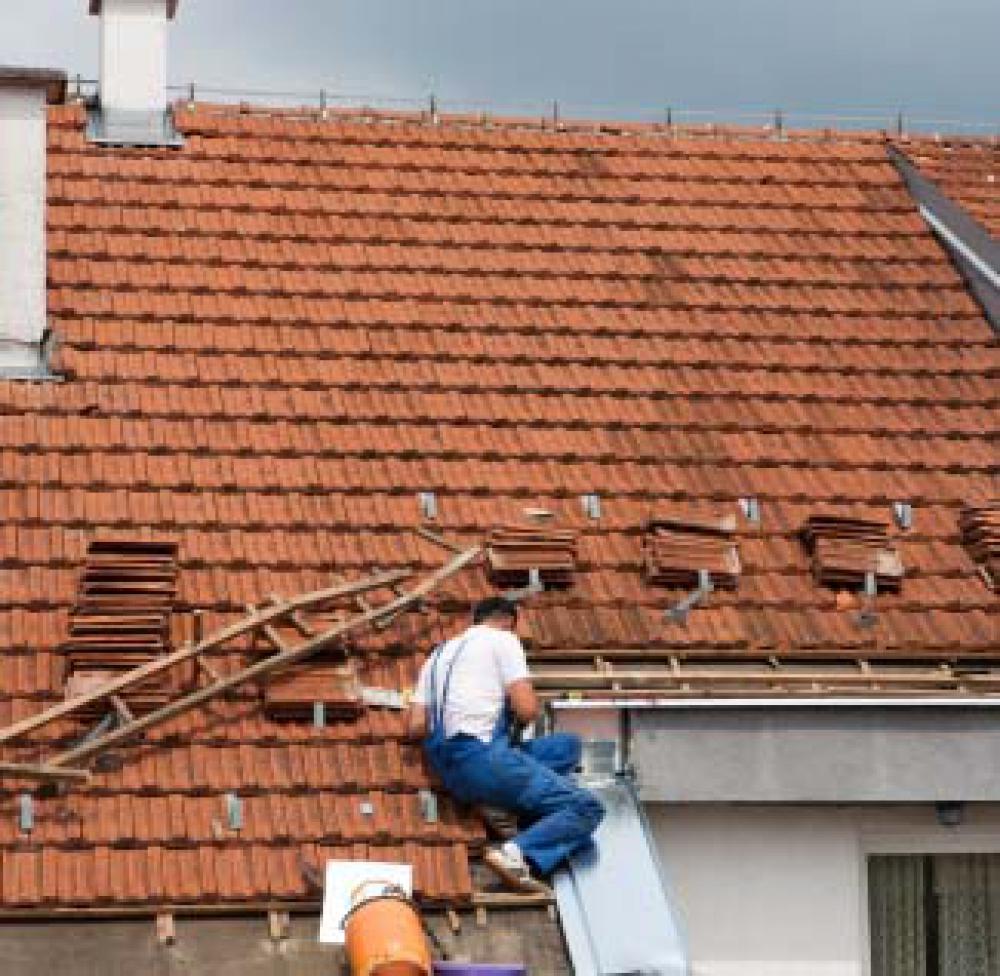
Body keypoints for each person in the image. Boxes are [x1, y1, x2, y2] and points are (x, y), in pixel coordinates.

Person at [406, 596, 604, 891]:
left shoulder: (436, 656)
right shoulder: (503, 641)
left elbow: (416, 727)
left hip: (449, 768)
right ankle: (515, 852)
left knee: (567, 747)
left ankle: (500, 801)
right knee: (587, 807)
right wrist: (518, 721)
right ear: (509, 622)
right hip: (485, 761)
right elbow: (526, 709)